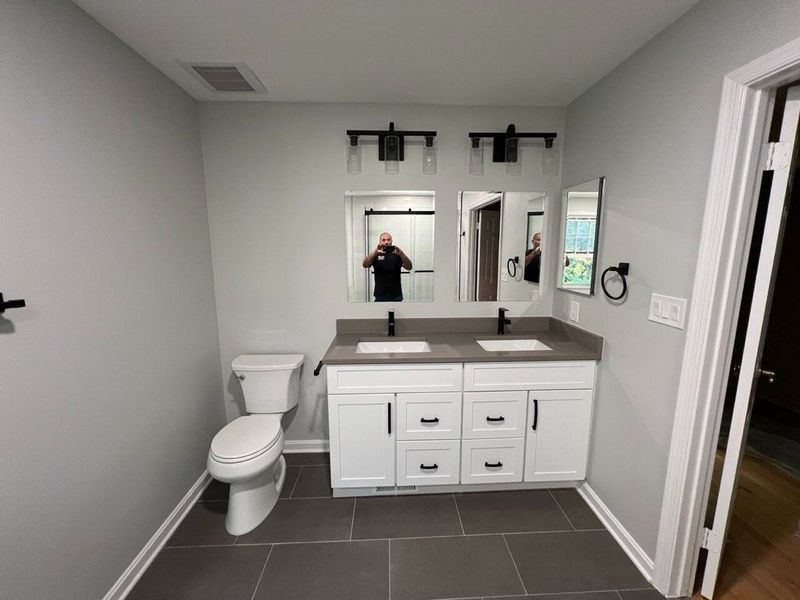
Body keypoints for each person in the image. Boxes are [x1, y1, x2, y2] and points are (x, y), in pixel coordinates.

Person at [362, 232, 413, 302]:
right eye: (383, 240)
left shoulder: (398, 254)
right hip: (380, 294)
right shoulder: (375, 254)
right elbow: (365, 265)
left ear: (392, 241)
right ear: (380, 242)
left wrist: (401, 253)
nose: (386, 242)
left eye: (388, 240)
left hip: (396, 295)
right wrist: (375, 253)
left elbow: (409, 267)